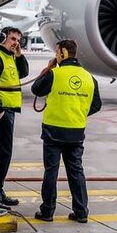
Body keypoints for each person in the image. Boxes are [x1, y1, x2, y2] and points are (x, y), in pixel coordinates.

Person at [32, 39, 101, 223]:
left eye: (57, 53)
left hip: (53, 132)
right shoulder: (89, 77)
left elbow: (36, 89)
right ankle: (81, 212)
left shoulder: (55, 74)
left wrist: (48, 69)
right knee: (76, 171)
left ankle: (47, 212)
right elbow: (96, 105)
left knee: (51, 172)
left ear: (62, 53)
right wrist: (77, 111)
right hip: (76, 132)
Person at [0, 27, 29, 210]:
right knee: (2, 153)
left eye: (18, 40)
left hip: (8, 110)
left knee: (2, 153)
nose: (15, 42)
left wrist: (19, 53)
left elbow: (23, 73)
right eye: (12, 39)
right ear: (2, 38)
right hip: (0, 111)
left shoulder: (9, 56)